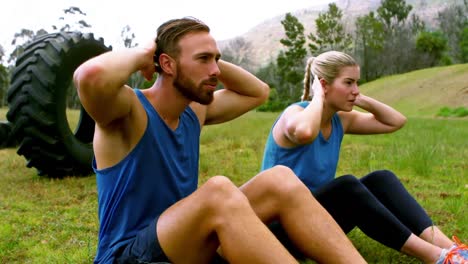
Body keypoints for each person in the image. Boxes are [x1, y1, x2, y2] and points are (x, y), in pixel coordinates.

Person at [73, 18, 368, 264]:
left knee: (279, 179)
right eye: (203, 59)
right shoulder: (127, 112)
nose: (215, 70)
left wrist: (208, 61)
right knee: (218, 192)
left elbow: (258, 92)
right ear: (167, 64)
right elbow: (90, 75)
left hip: (185, 245)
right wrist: (145, 53)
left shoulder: (194, 112)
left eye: (217, 59)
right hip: (129, 255)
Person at [261, 50, 468, 263]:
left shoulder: (340, 120)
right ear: (323, 85)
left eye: (357, 83)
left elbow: (395, 121)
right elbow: (305, 132)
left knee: (381, 178)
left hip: (316, 223)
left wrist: (358, 99)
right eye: (349, 83)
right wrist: (318, 97)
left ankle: (453, 249)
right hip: (279, 231)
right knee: (346, 188)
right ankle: (439, 258)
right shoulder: (293, 114)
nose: (355, 90)